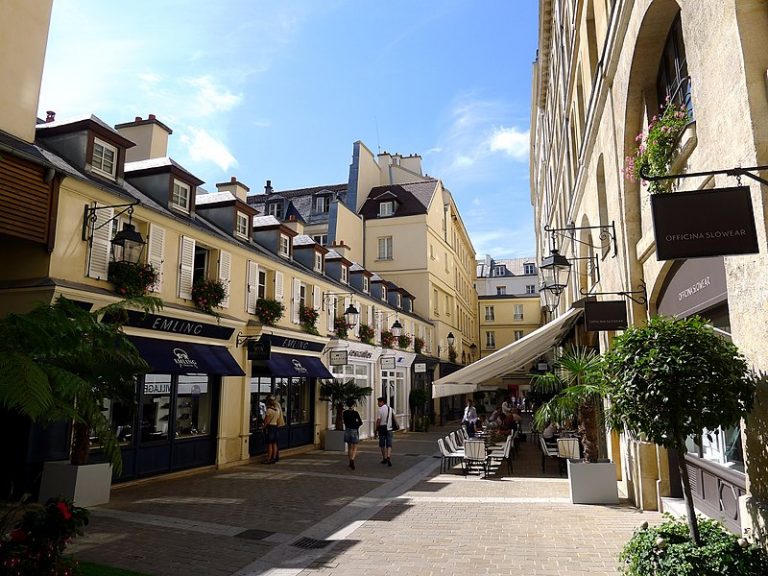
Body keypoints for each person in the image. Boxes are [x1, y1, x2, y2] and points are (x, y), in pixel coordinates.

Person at [343, 398, 363, 470]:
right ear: (353, 405)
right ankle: (352, 459)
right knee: (355, 446)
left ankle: (349, 461)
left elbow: (345, 421)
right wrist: (356, 426)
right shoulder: (355, 413)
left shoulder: (345, 413)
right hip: (354, 430)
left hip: (347, 430)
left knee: (349, 447)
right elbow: (360, 422)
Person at [375, 396, 394, 467]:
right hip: (389, 428)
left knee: (382, 444)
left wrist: (376, 428)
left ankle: (384, 458)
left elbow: (378, 420)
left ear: (382, 402)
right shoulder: (390, 409)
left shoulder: (380, 410)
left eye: (378, 402)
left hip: (382, 428)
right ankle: (388, 456)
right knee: (389, 444)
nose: (378, 404)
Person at [263, 396, 280, 464]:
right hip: (275, 427)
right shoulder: (277, 410)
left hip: (270, 428)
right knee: (274, 443)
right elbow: (278, 419)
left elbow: (266, 421)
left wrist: (263, 427)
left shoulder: (269, 410)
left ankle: (269, 459)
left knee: (269, 444)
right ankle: (274, 458)